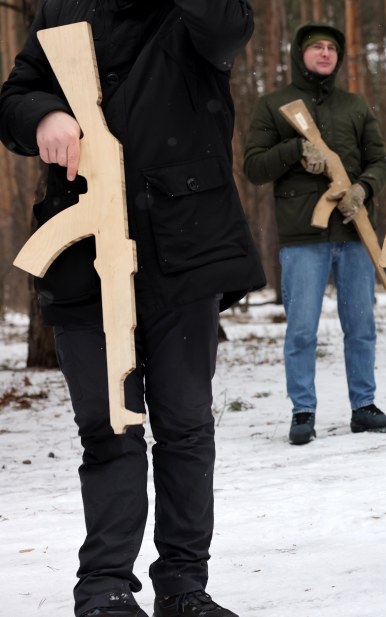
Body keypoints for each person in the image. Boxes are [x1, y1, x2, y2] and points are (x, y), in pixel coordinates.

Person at [0, 1, 266, 616]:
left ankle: (182, 585)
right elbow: (16, 95)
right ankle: (105, 588)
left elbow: (227, 25)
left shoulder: (195, 14)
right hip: (83, 256)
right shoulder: (63, 7)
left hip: (186, 247)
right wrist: (43, 115)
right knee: (109, 426)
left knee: (185, 427)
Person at [243, 23, 386, 445]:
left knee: (361, 326)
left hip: (353, 232)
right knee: (301, 331)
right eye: (317, 47)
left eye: (332, 47)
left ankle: (363, 407)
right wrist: (295, 150)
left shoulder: (355, 105)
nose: (326, 53)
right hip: (302, 236)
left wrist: (363, 189)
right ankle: (303, 411)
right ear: (300, 54)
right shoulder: (274, 105)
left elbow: (381, 160)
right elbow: (254, 167)